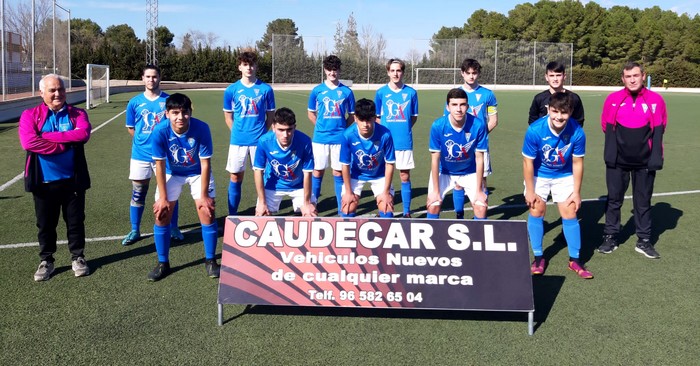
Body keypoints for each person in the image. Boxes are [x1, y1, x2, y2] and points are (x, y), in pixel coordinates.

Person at [18, 74, 91, 281]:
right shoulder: (30, 115)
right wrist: (65, 143)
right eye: (52, 90)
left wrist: (47, 137)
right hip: (44, 182)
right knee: (45, 224)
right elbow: (29, 143)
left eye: (60, 89)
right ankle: (46, 260)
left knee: (76, 222)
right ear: (42, 93)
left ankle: (78, 257)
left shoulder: (77, 113)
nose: (58, 93)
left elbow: (83, 134)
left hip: (72, 180)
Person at [598, 61, 667, 259]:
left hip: (645, 161)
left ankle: (644, 240)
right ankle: (610, 236)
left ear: (643, 76)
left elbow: (660, 128)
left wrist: (653, 155)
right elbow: (606, 126)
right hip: (617, 160)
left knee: (643, 201)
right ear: (623, 78)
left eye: (636, 75)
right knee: (613, 199)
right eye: (628, 77)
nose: (632, 79)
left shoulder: (656, 100)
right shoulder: (613, 99)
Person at [148, 93, 219, 281]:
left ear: (190, 112)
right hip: (172, 172)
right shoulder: (160, 132)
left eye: (184, 112)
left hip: (197, 172)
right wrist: (163, 198)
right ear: (167, 114)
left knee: (207, 210)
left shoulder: (202, 128)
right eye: (175, 112)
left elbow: (205, 164)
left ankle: (210, 260)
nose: (180, 117)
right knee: (162, 213)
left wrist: (203, 195)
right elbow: (160, 166)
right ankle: (163, 262)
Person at [523, 92, 592, 279]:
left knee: (570, 211)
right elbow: (527, 162)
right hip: (539, 175)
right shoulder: (535, 130)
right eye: (555, 111)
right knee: (537, 210)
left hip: (564, 174)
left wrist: (576, 192)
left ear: (570, 112)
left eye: (564, 112)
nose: (559, 117)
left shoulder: (577, 132)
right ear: (548, 110)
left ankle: (575, 260)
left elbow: (578, 163)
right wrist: (530, 190)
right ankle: (538, 257)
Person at [121, 64, 183, 246]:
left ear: (159, 78)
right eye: (148, 76)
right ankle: (135, 229)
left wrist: (160, 144)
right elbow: (132, 129)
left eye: (154, 77)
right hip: (140, 155)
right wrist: (146, 142)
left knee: (170, 193)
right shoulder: (134, 102)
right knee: (138, 192)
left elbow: (176, 126)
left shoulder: (169, 101)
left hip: (164, 157)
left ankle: (174, 227)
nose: (151, 80)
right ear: (142, 78)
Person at [223, 50, 275, 216]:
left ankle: (263, 211)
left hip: (259, 142)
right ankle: (232, 214)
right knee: (235, 177)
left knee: (262, 177)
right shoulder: (231, 90)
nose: (249, 68)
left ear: (256, 66)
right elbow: (228, 117)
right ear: (240, 67)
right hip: (238, 141)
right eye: (245, 65)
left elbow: (271, 117)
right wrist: (238, 133)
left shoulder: (266, 89)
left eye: (251, 64)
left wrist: (261, 135)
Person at [444, 58, 497, 218]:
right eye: (468, 73)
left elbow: (493, 120)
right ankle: (459, 216)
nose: (471, 76)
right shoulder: (454, 95)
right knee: (458, 183)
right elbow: (447, 122)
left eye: (474, 73)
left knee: (481, 182)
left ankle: (479, 221)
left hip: (480, 147)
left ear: (478, 73)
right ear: (462, 73)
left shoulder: (488, 95)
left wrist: (477, 137)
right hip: (459, 148)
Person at [428, 88, 488, 220]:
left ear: (467, 106)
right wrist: (436, 191)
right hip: (444, 171)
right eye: (454, 105)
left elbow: (479, 158)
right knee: (433, 204)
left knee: (481, 206)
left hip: (469, 171)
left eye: (462, 104)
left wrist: (479, 191)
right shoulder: (438, 126)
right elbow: (435, 159)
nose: (459, 109)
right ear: (447, 107)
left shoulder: (478, 125)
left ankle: (478, 238)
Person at [307, 55, 356, 214]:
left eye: (335, 69)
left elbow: (352, 116)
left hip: (339, 139)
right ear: (325, 70)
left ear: (339, 71)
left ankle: (341, 207)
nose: (332, 73)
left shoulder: (346, 92)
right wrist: (321, 127)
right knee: (317, 171)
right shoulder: (317, 90)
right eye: (329, 69)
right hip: (320, 139)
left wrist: (343, 130)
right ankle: (313, 205)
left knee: (338, 172)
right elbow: (311, 113)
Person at [374, 58, 418, 218]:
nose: (395, 73)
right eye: (392, 70)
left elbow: (413, 118)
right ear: (388, 72)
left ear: (403, 72)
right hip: (385, 143)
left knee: (404, 175)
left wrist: (403, 129)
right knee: (385, 177)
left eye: (398, 70)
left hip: (403, 141)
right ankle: (384, 209)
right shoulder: (381, 93)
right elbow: (377, 118)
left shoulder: (411, 93)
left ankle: (406, 212)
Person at [253, 108, 317, 217]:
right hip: (273, 185)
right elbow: (258, 171)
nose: (285, 135)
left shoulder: (305, 141)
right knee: (261, 214)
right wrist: (262, 203)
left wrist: (307, 203)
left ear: (294, 127)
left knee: (311, 213)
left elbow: (307, 173)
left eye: (289, 130)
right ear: (273, 127)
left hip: (298, 185)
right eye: (281, 130)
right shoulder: (264, 141)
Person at [339, 99, 396, 218]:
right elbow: (345, 165)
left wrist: (385, 193)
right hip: (356, 175)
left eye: (368, 120)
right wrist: (348, 192)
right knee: (347, 208)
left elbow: (390, 164)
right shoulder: (347, 135)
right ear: (355, 119)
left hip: (379, 175)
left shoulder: (386, 134)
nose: (365, 125)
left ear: (375, 118)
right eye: (361, 120)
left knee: (386, 209)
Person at [528, 61, 585, 126]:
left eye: (558, 75)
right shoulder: (539, 98)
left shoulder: (574, 98)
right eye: (551, 76)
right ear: (546, 77)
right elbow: (532, 121)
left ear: (564, 76)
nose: (555, 79)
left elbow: (579, 121)